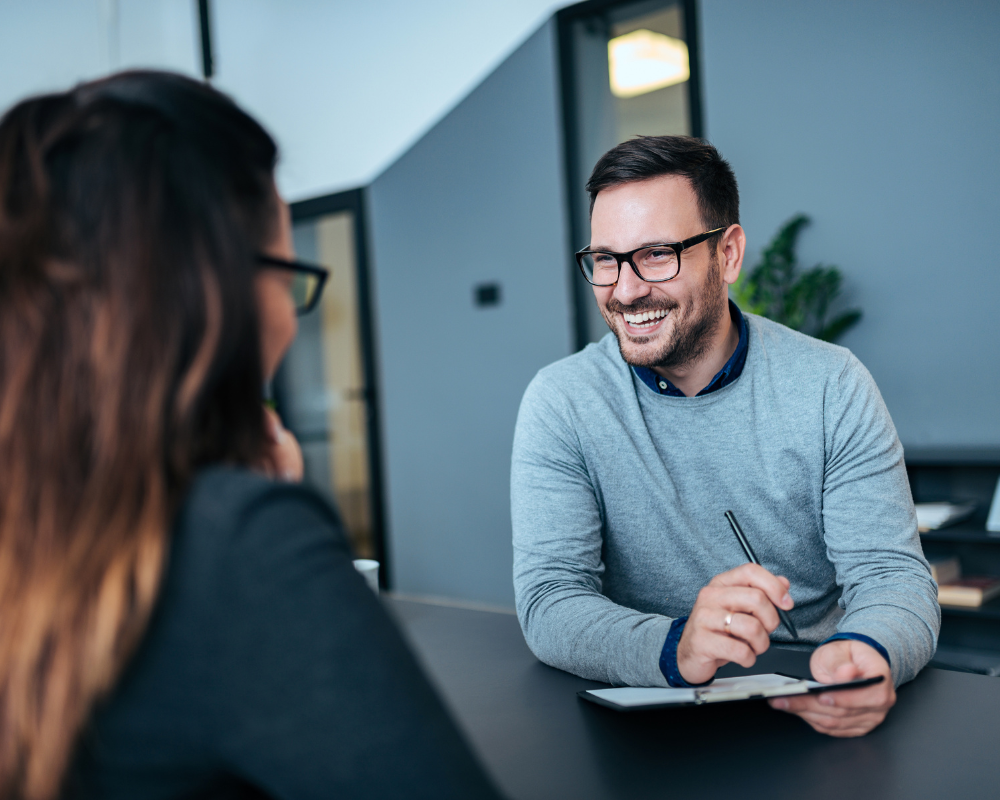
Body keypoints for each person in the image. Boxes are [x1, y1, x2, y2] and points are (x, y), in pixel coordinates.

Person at [0, 71, 501, 799]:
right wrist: (258, 530)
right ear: (210, 290)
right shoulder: (238, 549)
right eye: (285, 269)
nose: (292, 319)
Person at [511, 135, 939, 738]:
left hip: (812, 707)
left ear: (729, 253)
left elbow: (892, 577)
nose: (626, 289)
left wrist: (869, 651)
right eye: (606, 259)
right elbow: (551, 601)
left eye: (657, 253)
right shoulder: (563, 401)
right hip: (647, 721)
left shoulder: (830, 384)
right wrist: (677, 647)